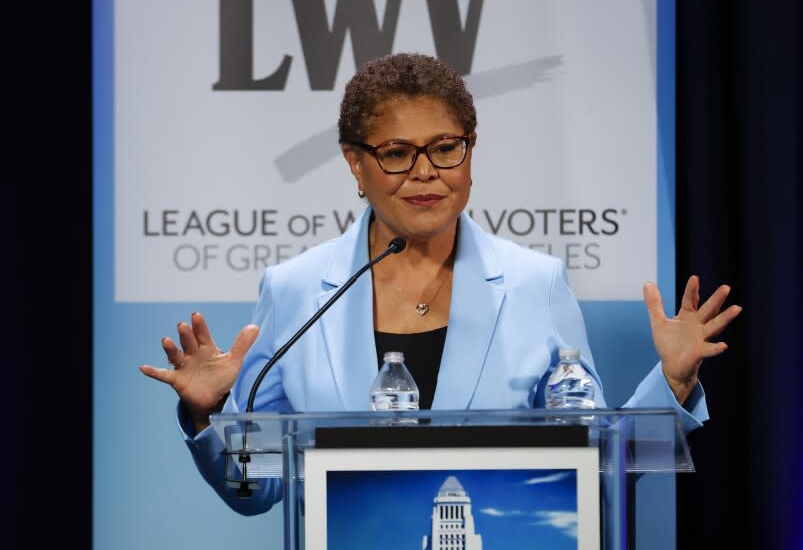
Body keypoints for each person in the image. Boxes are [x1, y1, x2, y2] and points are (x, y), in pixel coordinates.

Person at [140, 53, 742, 515]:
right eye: (397, 153)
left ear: (470, 149)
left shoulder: (535, 284)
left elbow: (590, 471)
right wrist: (211, 414)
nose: (426, 172)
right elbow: (256, 486)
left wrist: (672, 382)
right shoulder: (296, 290)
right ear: (355, 163)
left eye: (446, 147)